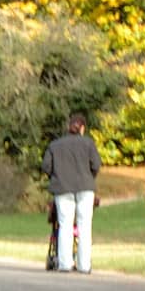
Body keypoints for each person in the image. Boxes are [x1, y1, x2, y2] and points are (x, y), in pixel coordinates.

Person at [41, 113, 101, 273]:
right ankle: (84, 265)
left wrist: (56, 176)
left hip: (62, 188)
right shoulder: (88, 143)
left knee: (65, 225)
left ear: (69, 127)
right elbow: (96, 165)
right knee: (84, 226)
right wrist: (89, 177)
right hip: (85, 187)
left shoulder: (55, 145)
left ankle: (65, 263)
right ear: (82, 128)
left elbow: (46, 166)